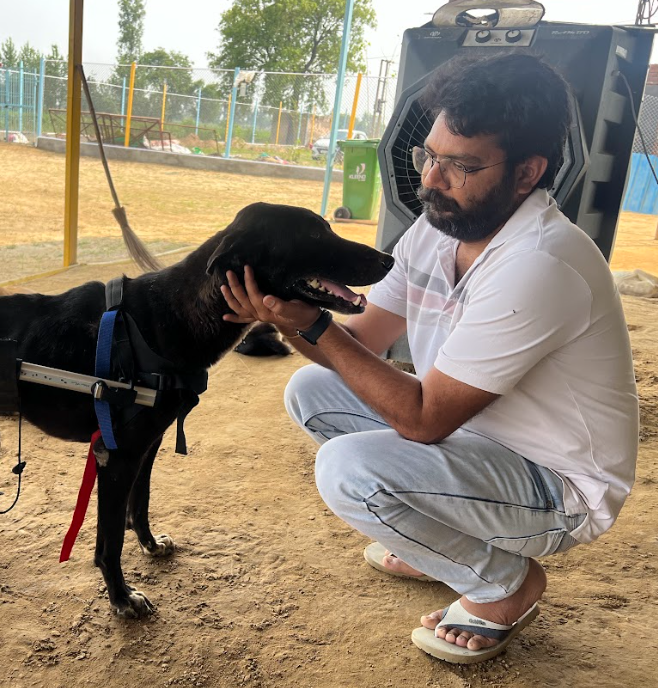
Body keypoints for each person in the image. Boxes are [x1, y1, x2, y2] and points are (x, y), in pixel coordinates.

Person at [221, 52, 639, 664]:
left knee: (349, 471)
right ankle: (438, 541)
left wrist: (310, 325)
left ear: (528, 172)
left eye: (461, 166)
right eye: (430, 155)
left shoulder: (539, 262)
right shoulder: (439, 229)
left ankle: (503, 585)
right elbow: (359, 341)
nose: (432, 181)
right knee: (310, 390)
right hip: (484, 443)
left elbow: (423, 419)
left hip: (558, 487)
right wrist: (289, 307)